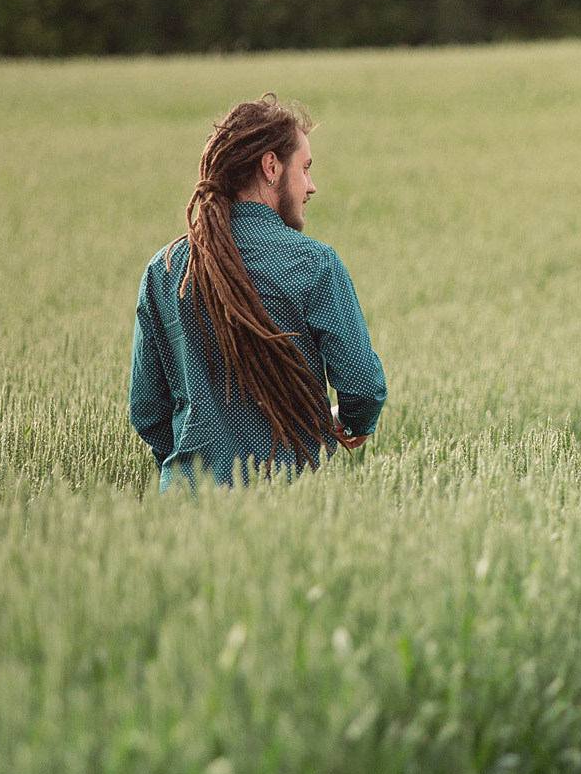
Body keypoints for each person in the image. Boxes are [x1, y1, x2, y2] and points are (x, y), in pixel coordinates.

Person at [129, 94, 388, 488]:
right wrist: (350, 422)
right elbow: (363, 387)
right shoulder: (314, 264)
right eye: (305, 168)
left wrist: (191, 472)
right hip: (285, 510)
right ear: (271, 167)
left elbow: (148, 412)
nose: (311, 186)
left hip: (184, 514)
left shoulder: (164, 270)